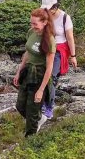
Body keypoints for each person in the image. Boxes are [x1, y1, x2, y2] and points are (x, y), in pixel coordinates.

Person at [13, 8, 56, 136]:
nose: (32, 26)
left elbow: (49, 68)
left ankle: (30, 139)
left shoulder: (49, 41)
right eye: (31, 23)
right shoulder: (31, 32)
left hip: (39, 76)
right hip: (28, 73)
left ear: (44, 22)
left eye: (35, 24)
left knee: (32, 110)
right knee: (20, 106)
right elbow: (28, 52)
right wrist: (19, 71)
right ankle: (39, 119)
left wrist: (41, 90)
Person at [39, 0, 77, 119]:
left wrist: (73, 55)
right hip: (46, 48)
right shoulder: (43, 15)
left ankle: (49, 106)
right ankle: (41, 102)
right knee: (41, 75)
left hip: (59, 51)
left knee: (51, 78)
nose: (47, 11)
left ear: (55, 7)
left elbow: (70, 37)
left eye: (49, 9)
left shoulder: (65, 17)